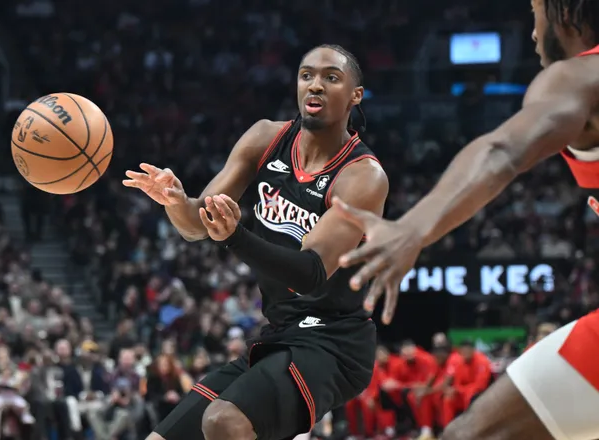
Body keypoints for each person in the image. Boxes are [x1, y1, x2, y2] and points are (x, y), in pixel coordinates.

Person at [330, 0, 599, 439]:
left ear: (564, 11)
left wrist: (413, 228)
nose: (532, 33)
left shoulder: (578, 76)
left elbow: (502, 150)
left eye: (534, 12)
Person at [123, 44, 389, 440]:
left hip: (334, 342)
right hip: (280, 333)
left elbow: (311, 274)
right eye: (306, 75)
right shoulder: (266, 137)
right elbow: (198, 225)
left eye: (331, 78)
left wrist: (236, 237)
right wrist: (177, 202)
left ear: (355, 95)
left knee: (223, 421)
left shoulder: (362, 176)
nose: (315, 85)